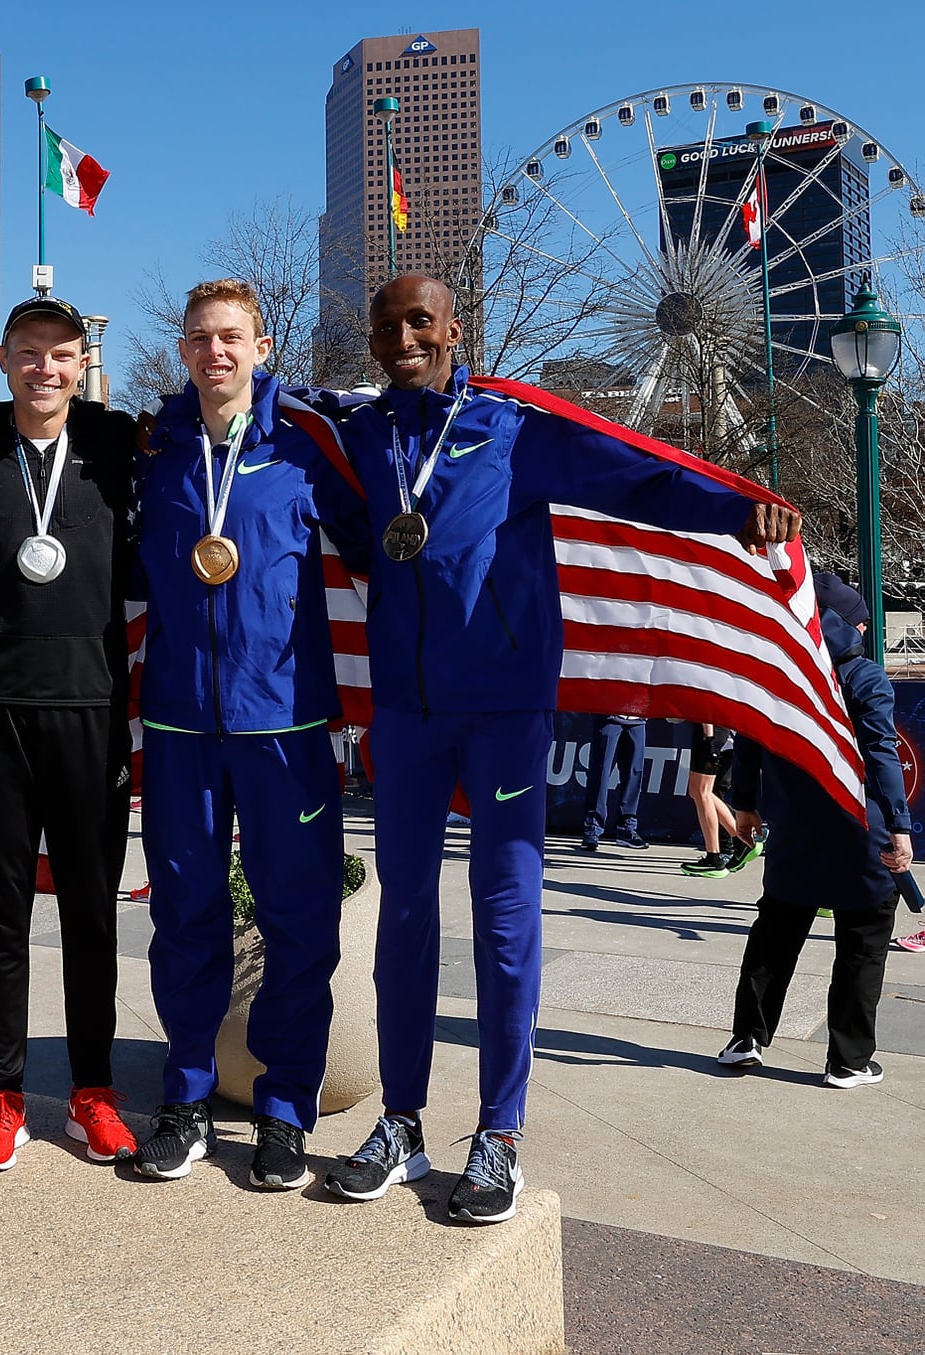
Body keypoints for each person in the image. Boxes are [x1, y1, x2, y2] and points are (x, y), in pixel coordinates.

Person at [311, 274, 801, 1224]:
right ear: (370, 341)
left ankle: (498, 1134)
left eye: (421, 321)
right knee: (402, 915)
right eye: (386, 325)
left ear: (457, 329)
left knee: (505, 919)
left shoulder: (511, 429)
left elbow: (634, 474)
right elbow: (311, 476)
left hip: (503, 712)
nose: (403, 337)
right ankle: (403, 1124)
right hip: (407, 716)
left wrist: (738, 505)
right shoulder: (365, 437)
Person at [129, 279, 358, 1188]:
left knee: (298, 922)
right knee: (184, 916)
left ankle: (284, 1107)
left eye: (231, 338)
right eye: (199, 338)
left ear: (261, 348)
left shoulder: (309, 451)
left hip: (286, 724)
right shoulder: (156, 452)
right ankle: (185, 1097)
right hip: (181, 723)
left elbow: (385, 545)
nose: (214, 352)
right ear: (183, 350)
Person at [0, 295, 140, 1171]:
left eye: (61, 355)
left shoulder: (120, 443)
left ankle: (93, 1092)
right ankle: (3, 1093)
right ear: (1, 355)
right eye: (28, 353)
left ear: (83, 361)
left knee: (92, 915)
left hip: (92, 708)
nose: (44, 369)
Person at [718, 610, 913, 1087]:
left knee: (775, 934)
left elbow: (748, 739)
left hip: (795, 828)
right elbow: (881, 752)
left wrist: (744, 804)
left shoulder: (775, 670)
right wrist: (900, 825)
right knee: (862, 942)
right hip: (859, 827)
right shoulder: (864, 676)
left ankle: (747, 1039)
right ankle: (847, 1059)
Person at [680, 723, 754, 877]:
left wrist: (708, 736)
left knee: (702, 792)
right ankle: (741, 839)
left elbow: (707, 705)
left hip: (711, 732)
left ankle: (714, 858)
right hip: (712, 732)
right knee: (697, 791)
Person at [580, 715, 649, 852]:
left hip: (638, 719)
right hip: (608, 716)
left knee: (634, 773)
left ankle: (627, 828)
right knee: (601, 773)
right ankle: (592, 828)